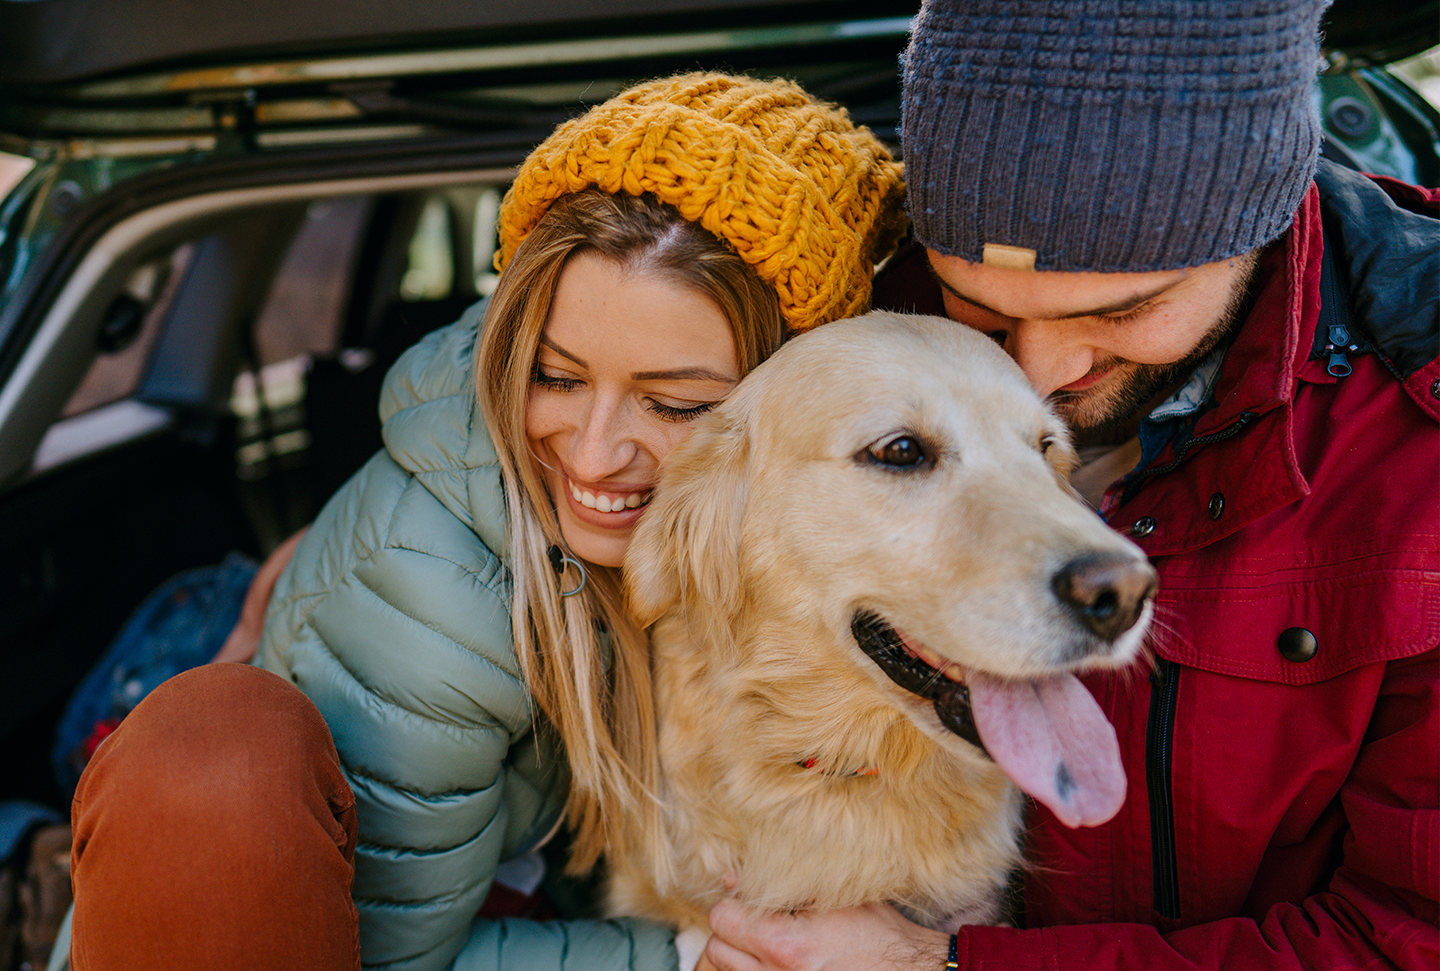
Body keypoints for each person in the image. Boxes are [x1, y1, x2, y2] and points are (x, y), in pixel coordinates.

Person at [64, 72, 904, 971]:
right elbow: (396, 958)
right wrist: (695, 955)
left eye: (673, 405)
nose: (591, 455)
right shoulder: (439, 605)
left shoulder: (797, 525)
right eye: (557, 376)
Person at [698, 2, 1439, 970]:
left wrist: (938, 966)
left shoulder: (1415, 439)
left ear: (1261, 222)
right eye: (981, 304)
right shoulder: (844, 310)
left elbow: (1408, 942)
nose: (1040, 370)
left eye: (1121, 309)